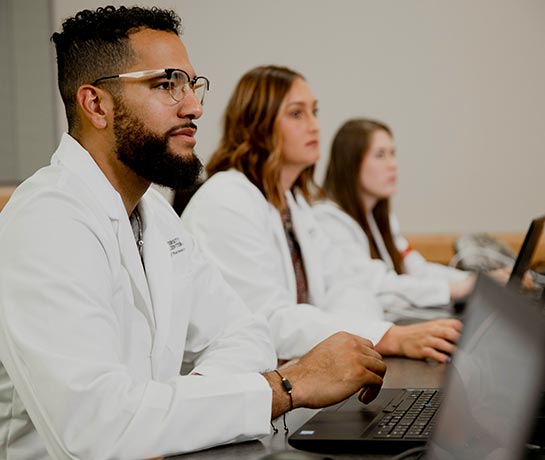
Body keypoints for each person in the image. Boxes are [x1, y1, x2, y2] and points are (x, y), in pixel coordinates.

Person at [0, 7, 387, 459]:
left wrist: (177, 414)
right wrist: (288, 385)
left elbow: (246, 335)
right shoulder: (46, 222)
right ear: (96, 105)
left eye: (192, 84)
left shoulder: (157, 217)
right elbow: (96, 429)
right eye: (167, 84)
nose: (195, 107)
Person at [181, 65, 462, 366]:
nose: (314, 126)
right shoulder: (226, 202)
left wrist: (365, 337)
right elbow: (268, 321)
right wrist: (388, 338)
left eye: (315, 112)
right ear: (257, 125)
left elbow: (346, 284)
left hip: (298, 373)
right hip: (237, 388)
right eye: (297, 114)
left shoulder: (293, 204)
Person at [314, 118, 477, 312]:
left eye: (393, 153)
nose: (392, 164)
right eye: (380, 155)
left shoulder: (380, 217)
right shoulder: (327, 221)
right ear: (351, 163)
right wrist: (453, 289)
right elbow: (378, 286)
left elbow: (415, 269)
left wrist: (475, 282)